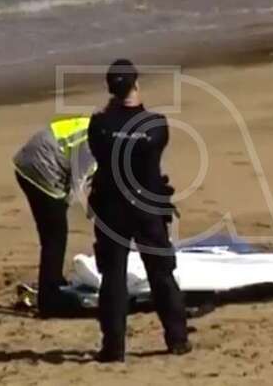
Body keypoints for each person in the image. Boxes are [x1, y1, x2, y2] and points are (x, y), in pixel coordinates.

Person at [87, 59, 191, 362]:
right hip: (146, 207)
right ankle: (177, 338)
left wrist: (111, 115)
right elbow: (152, 153)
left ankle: (114, 346)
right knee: (160, 273)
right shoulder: (155, 124)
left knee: (114, 277)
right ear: (136, 85)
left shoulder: (100, 124)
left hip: (111, 207)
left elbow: (99, 152)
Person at [12, 115, 97, 318]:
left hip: (29, 162)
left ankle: (53, 281)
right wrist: (70, 206)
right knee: (55, 235)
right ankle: (49, 300)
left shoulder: (96, 129)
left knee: (51, 234)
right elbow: (78, 181)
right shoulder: (94, 141)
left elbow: (94, 178)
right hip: (40, 166)